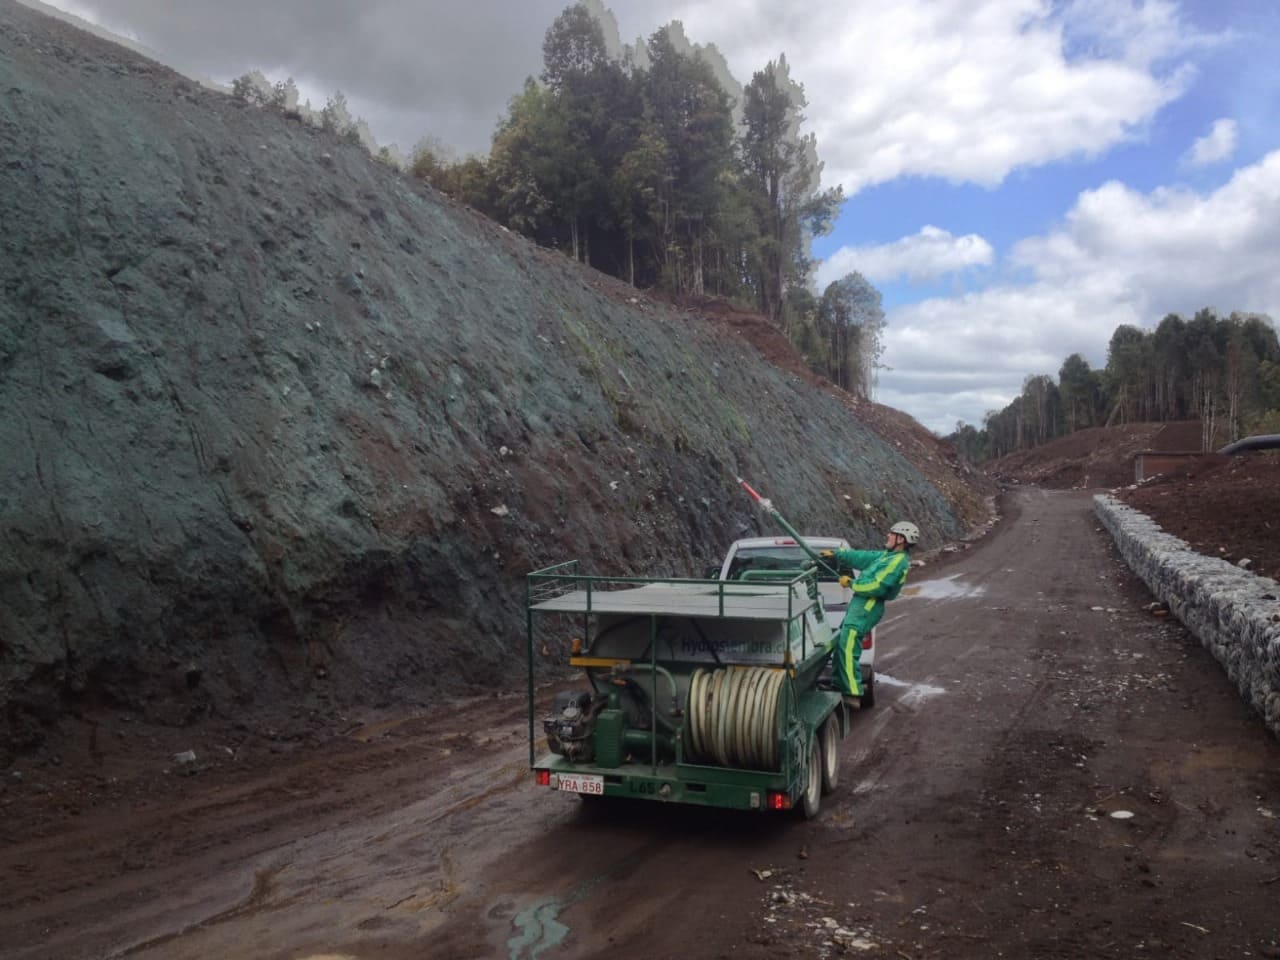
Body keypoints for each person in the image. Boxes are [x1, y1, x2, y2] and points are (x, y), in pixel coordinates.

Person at [821, 521, 919, 701]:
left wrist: (850, 583)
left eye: (892, 534)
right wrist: (838, 555)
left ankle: (851, 692)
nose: (888, 536)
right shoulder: (887, 556)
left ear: (901, 539)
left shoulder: (897, 562)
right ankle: (839, 683)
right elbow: (862, 557)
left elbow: (877, 586)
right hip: (861, 603)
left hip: (868, 605)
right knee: (843, 642)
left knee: (848, 644)